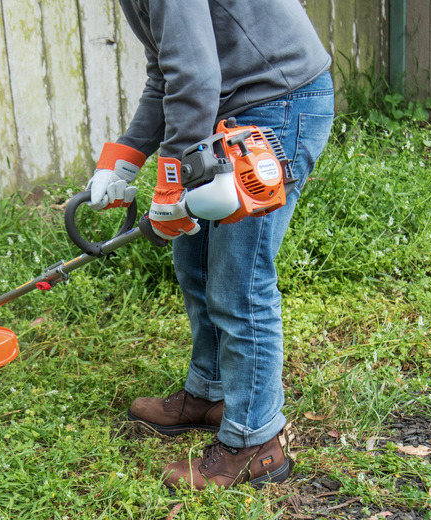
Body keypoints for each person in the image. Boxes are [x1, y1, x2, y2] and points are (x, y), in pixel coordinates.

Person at [85, 0, 334, 491]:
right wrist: (126, 158)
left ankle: (255, 442)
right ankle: (211, 393)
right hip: (236, 104)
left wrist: (171, 183)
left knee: (238, 281)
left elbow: (195, 78)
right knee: (196, 263)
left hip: (278, 105)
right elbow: (167, 73)